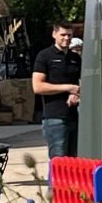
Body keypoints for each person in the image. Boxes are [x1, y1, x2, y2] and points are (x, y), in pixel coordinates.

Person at [32, 23, 82, 159]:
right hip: (54, 117)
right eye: (63, 35)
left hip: (74, 116)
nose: (66, 38)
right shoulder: (44, 56)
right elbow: (37, 87)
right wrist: (68, 88)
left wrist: (76, 94)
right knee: (59, 163)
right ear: (54, 35)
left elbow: (82, 83)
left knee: (74, 163)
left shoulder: (75, 58)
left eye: (69, 35)